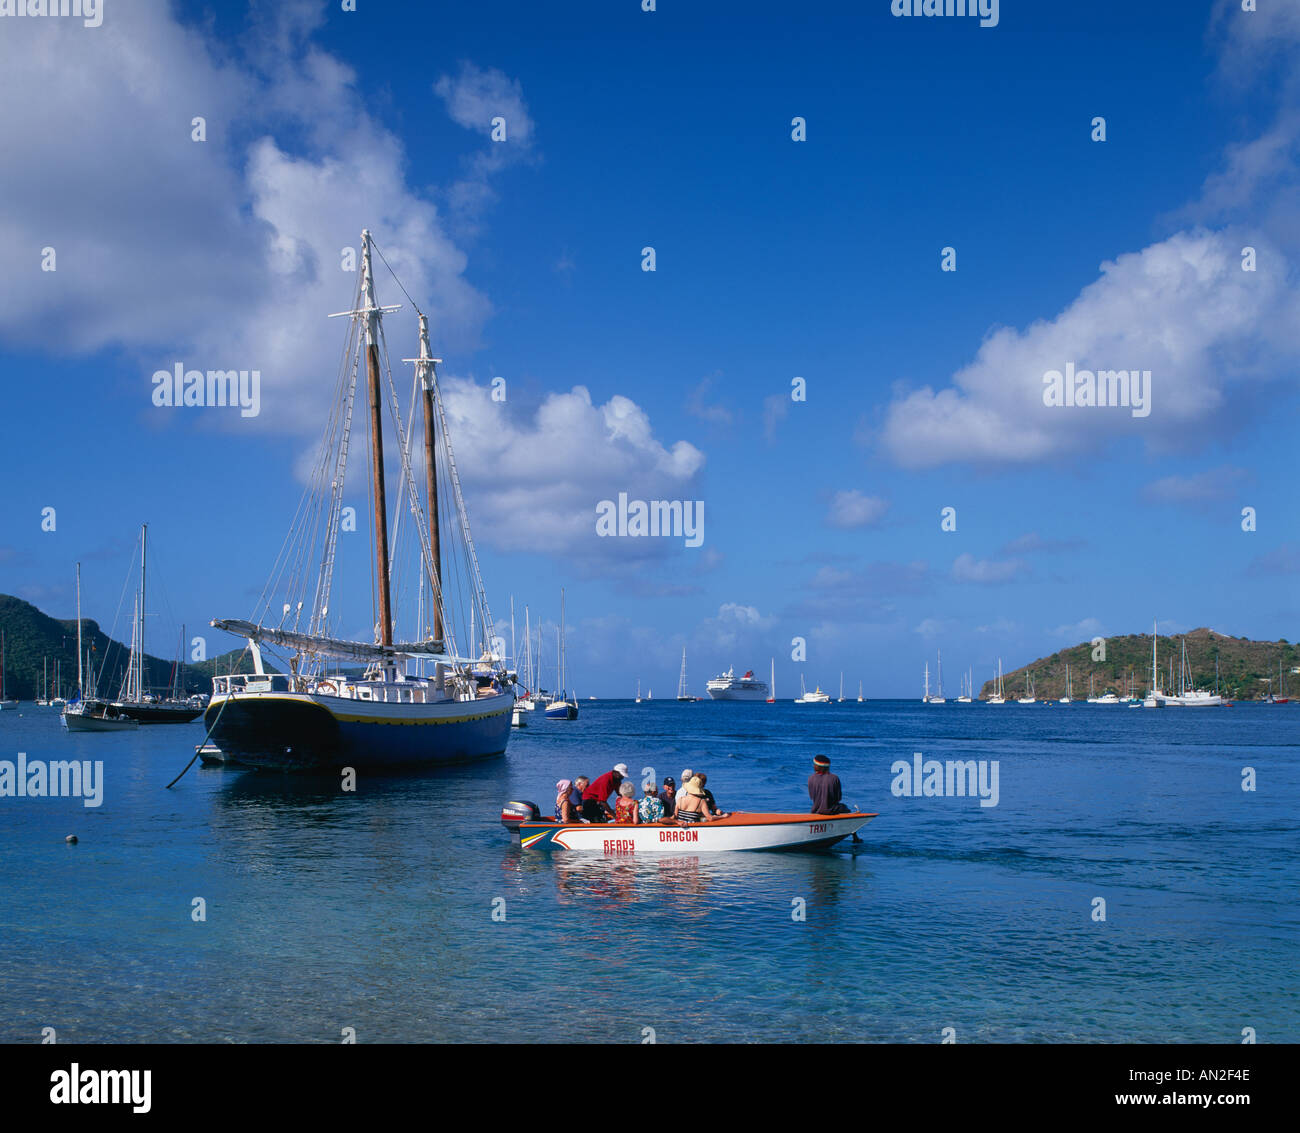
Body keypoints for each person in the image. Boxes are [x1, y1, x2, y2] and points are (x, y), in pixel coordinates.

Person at [808, 754, 860, 842]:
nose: (813, 766)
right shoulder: (834, 778)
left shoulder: (811, 778)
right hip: (831, 810)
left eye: (815, 764)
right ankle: (855, 838)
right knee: (848, 812)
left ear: (819, 767)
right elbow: (838, 798)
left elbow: (812, 796)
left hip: (815, 810)